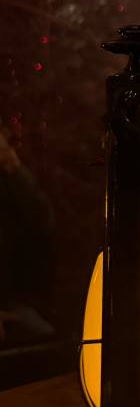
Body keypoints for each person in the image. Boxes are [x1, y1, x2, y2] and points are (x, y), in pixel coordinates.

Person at [0, 131, 55, 345]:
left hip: (15, 301)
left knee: (46, 344)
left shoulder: (9, 181)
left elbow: (42, 220)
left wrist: (14, 168)